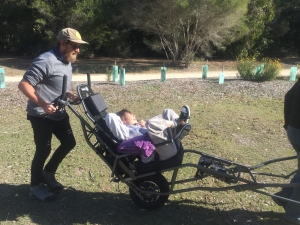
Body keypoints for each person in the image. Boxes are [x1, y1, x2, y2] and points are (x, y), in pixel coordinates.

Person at [18, 28, 88, 202]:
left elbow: (57, 84)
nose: (78, 50)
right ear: (63, 43)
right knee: (43, 149)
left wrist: (69, 94)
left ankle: (48, 173)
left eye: (79, 46)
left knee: (69, 142)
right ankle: (35, 187)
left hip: (59, 112)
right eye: (75, 46)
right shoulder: (45, 60)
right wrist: (42, 103)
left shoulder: (66, 60)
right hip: (41, 114)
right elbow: (24, 85)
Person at [105, 105, 191, 161]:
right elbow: (110, 117)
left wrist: (143, 126)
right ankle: (177, 124)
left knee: (167, 112)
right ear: (123, 121)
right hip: (161, 151)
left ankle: (181, 125)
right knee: (150, 123)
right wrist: (147, 125)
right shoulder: (124, 132)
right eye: (131, 116)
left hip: (167, 143)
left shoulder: (138, 127)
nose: (134, 116)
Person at [272, 78, 300, 224]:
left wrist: (287, 124)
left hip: (294, 130)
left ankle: (286, 197)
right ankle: (292, 217)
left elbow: (289, 96)